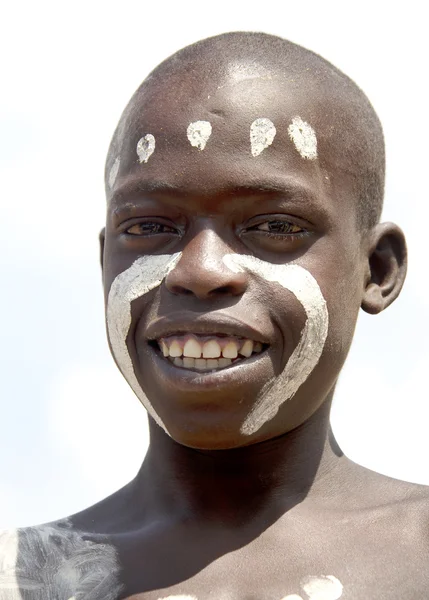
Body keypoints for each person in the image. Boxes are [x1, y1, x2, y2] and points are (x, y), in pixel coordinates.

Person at [0, 31, 426, 600]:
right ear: (105, 262)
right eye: (150, 227)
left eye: (274, 226)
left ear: (376, 269)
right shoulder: (19, 577)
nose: (199, 271)